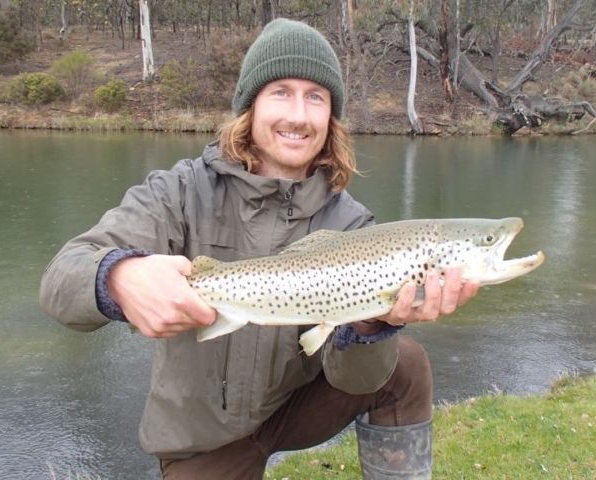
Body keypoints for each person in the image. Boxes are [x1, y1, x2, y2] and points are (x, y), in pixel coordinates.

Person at [40, 18, 479, 480]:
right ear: (250, 106)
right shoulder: (180, 191)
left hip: (296, 406)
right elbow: (59, 279)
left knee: (405, 362)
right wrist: (118, 276)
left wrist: (372, 321)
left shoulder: (352, 224)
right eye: (280, 92)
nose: (298, 114)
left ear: (331, 116)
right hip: (203, 438)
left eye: (316, 97)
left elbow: (359, 380)